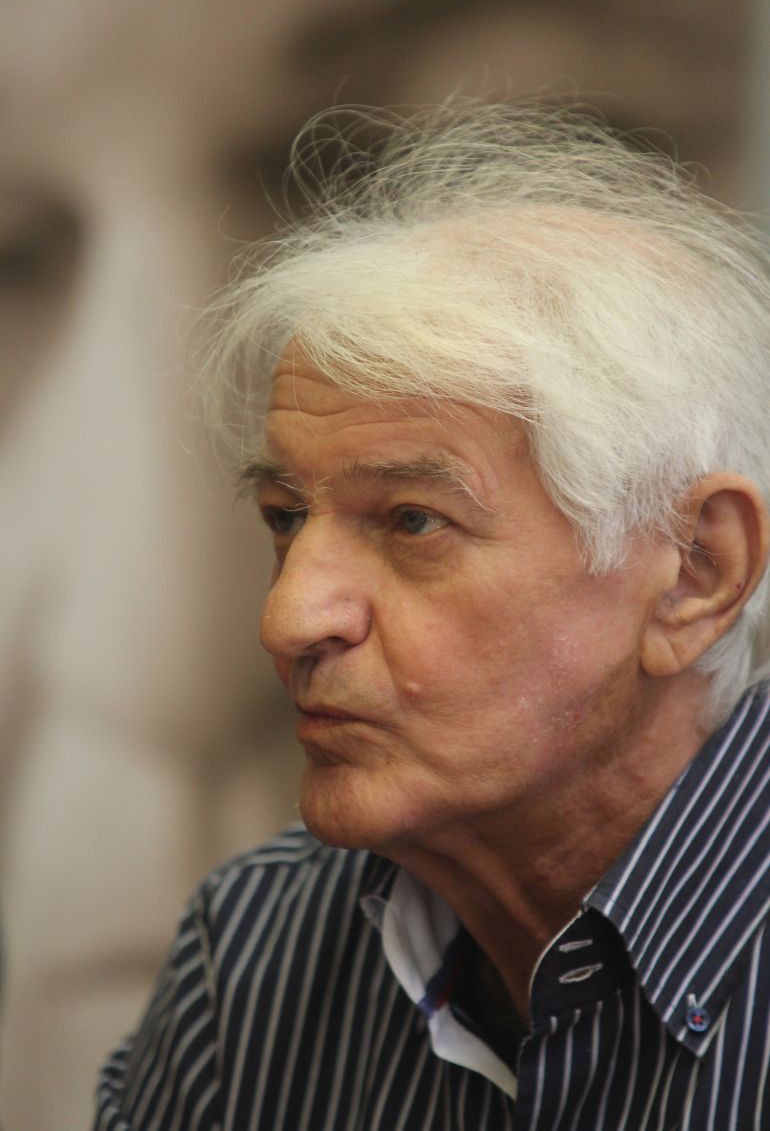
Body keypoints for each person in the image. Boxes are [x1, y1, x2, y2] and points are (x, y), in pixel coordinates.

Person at [93, 101, 770, 1131]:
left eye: (412, 521)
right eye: (284, 517)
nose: (289, 618)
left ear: (693, 571)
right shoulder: (252, 953)